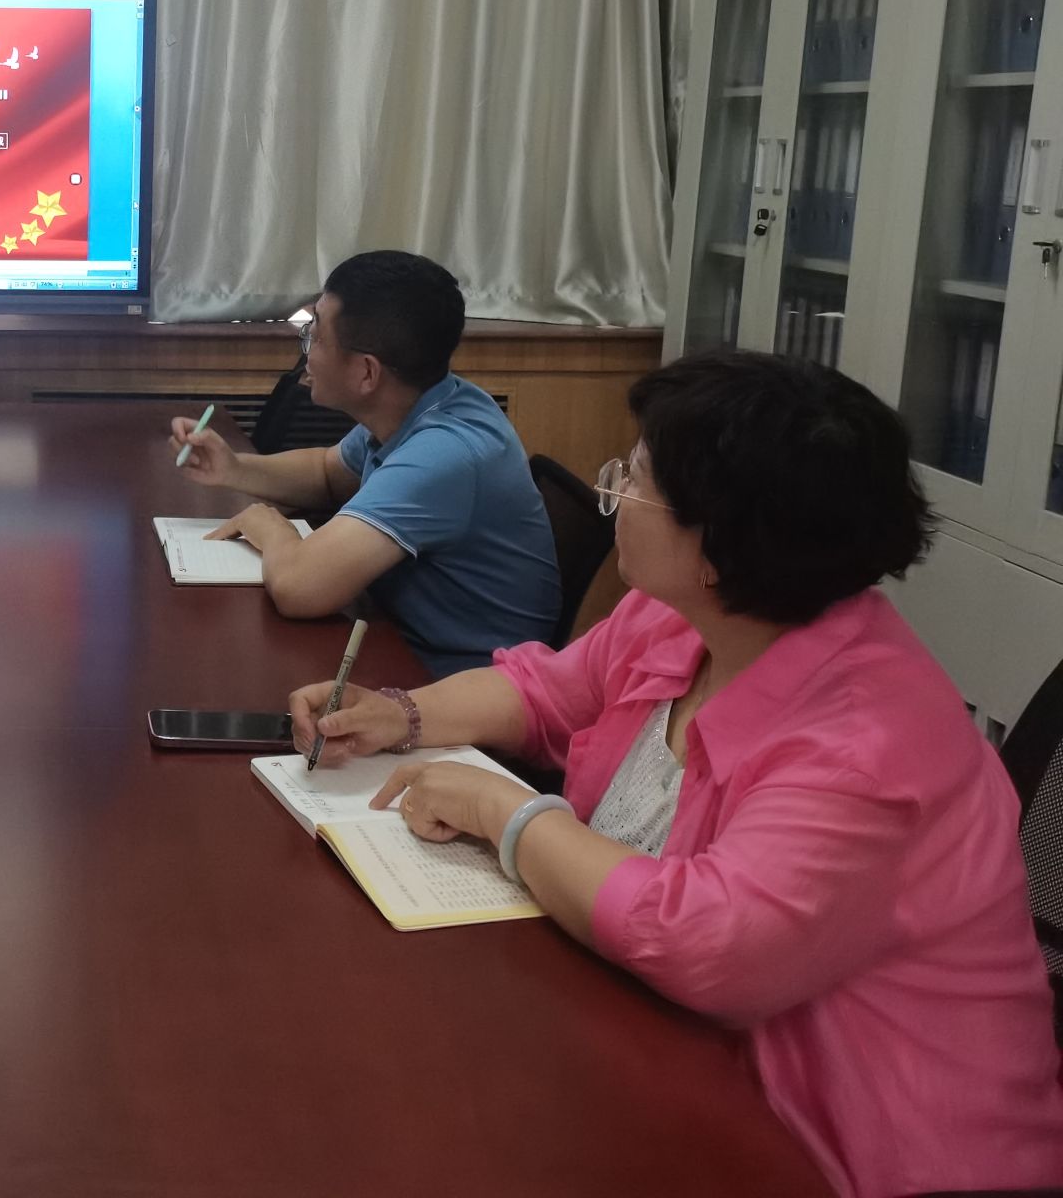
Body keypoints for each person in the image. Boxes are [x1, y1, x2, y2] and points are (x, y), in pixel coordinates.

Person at [289, 350, 1063, 1197]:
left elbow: (708, 941)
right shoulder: (686, 617)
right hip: (660, 1051)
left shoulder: (867, 744)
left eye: (637, 478)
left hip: (850, 1149)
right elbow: (546, 692)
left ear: (720, 546)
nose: (614, 491)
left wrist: (508, 814)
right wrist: (399, 714)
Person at [170, 250, 560, 674]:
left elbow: (300, 587)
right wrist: (234, 468)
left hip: (457, 679)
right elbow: (326, 473)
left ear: (367, 373)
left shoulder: (445, 453)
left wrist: (270, 527)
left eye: (316, 336)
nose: (307, 353)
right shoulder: (425, 401)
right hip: (400, 640)